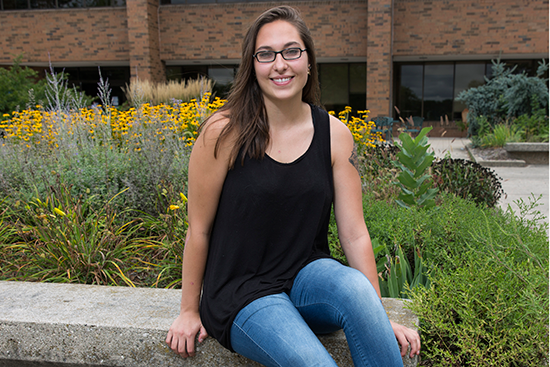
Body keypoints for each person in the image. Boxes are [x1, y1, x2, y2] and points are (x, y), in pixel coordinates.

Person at [166, 5, 421, 366]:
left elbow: (354, 233)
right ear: (252, 66)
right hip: (242, 291)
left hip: (305, 276)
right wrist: (189, 310)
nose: (280, 64)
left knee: (355, 291)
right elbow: (199, 229)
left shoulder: (334, 135)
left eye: (291, 51)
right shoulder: (222, 133)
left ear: (308, 61)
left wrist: (376, 321)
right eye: (266, 54)